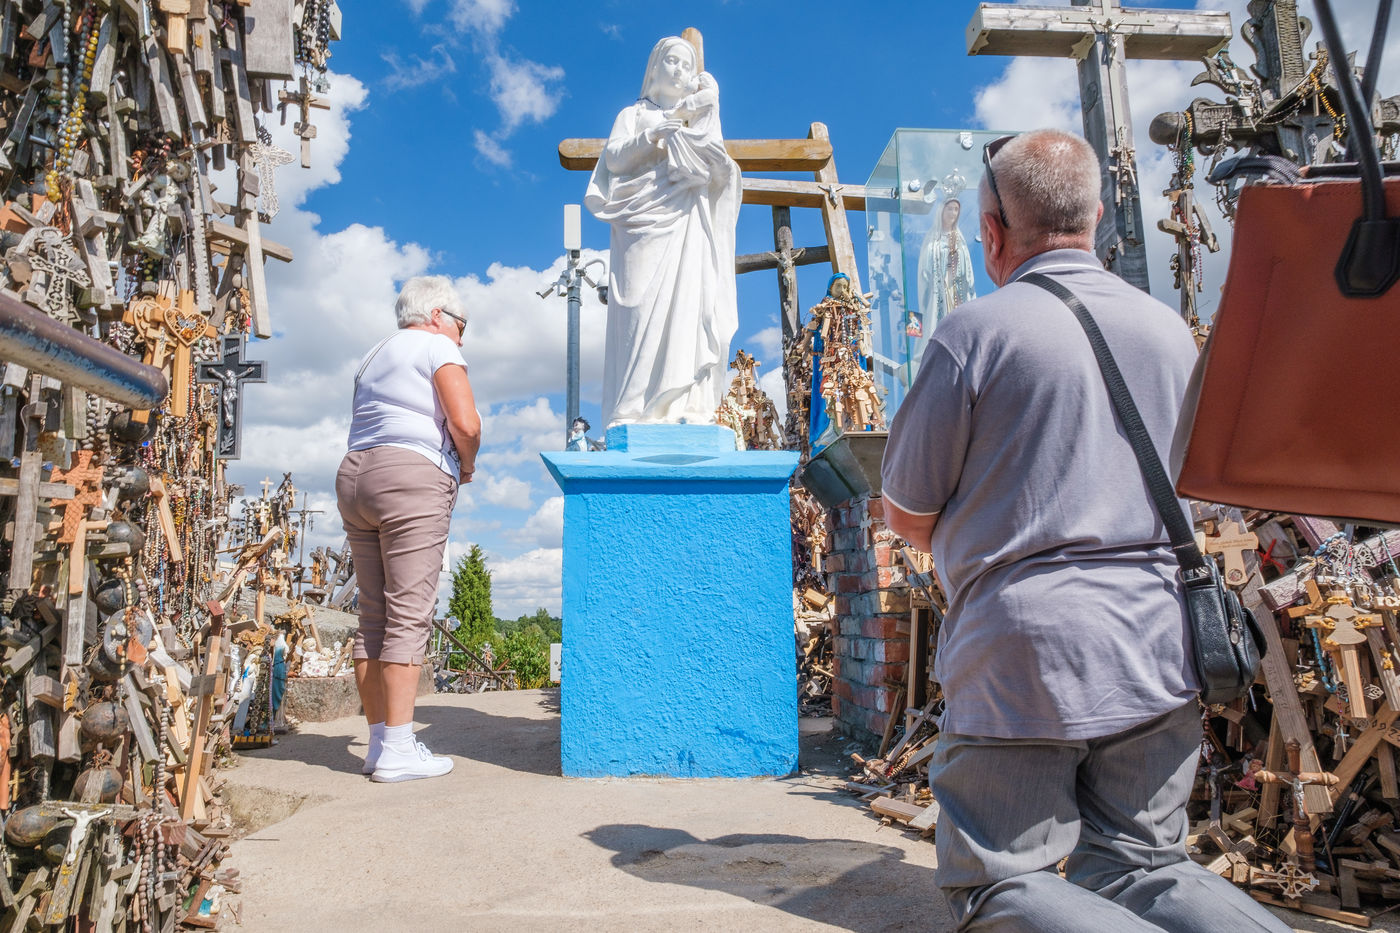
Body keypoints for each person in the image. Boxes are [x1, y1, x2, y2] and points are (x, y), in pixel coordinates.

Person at [880, 130, 1289, 932]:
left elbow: (906, 511)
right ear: (1097, 216)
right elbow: (1200, 494)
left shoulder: (973, 332)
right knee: (1145, 866)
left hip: (1020, 658)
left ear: (990, 231)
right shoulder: (1169, 332)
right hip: (1157, 644)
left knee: (1000, 881)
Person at [336, 275, 480, 783]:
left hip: (355, 476)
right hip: (410, 475)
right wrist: (467, 465)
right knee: (409, 615)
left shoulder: (374, 353)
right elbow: (466, 423)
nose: (462, 337)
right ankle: (399, 748)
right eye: (462, 325)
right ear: (437, 315)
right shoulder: (437, 346)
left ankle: (379, 744)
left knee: (373, 616)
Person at [585, 36, 741, 427]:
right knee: (636, 309)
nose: (679, 70)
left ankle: (683, 403)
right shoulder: (633, 114)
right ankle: (630, 409)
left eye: (686, 65)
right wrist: (654, 136)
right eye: (671, 61)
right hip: (640, 222)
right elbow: (614, 160)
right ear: (654, 67)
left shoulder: (696, 118)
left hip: (686, 217)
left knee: (686, 305)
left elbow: (720, 171)